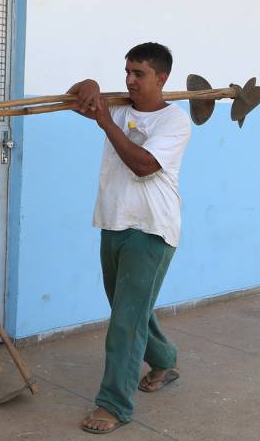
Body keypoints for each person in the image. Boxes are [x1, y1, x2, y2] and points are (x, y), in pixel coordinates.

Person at [70, 42, 192, 435]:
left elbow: (142, 166)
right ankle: (164, 359)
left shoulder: (175, 122)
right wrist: (86, 83)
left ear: (162, 78)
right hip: (114, 223)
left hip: (152, 229)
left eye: (139, 74)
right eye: (127, 72)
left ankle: (114, 405)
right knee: (128, 310)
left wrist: (106, 121)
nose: (130, 80)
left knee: (125, 320)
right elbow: (77, 97)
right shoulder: (119, 107)